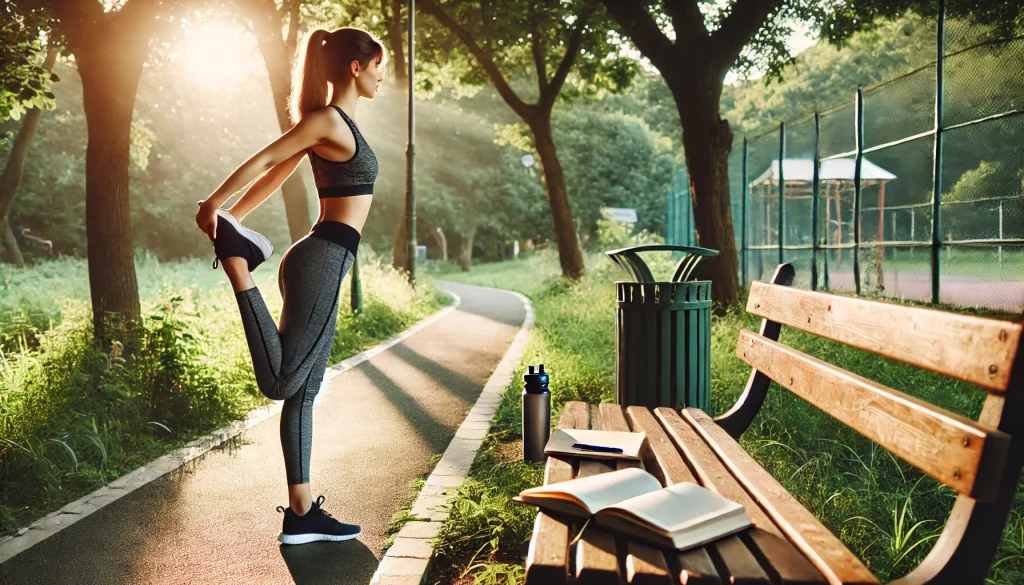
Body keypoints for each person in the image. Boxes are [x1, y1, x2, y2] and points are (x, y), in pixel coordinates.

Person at [195, 27, 385, 546]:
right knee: (283, 384)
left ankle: (301, 514)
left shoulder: (337, 125)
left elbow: (275, 176)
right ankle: (239, 269)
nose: (381, 76)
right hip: (323, 258)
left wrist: (232, 215)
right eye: (377, 66)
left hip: (323, 257)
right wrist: (215, 208)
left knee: (303, 391)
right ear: (355, 66)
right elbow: (264, 157)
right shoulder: (327, 119)